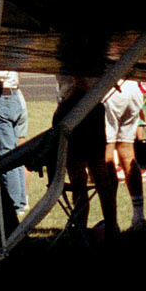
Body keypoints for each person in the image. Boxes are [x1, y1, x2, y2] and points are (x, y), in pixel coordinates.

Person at [56, 76, 117, 244]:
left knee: (86, 175)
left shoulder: (78, 61)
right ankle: (98, 226)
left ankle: (86, 226)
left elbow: (81, 82)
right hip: (88, 105)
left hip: (79, 107)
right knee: (93, 175)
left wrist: (64, 107)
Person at [103, 78, 146, 233]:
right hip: (132, 89)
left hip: (110, 90)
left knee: (107, 157)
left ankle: (111, 221)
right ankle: (139, 217)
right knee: (128, 154)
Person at [0, 69, 30, 221]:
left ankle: (14, 202)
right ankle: (21, 199)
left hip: (1, 97)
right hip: (15, 97)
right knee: (16, 152)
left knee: (6, 154)